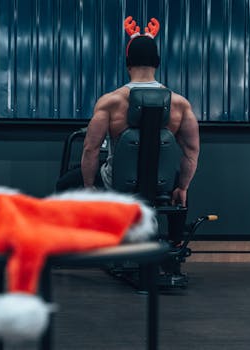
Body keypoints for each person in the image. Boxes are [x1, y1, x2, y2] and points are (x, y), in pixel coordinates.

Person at [57, 17, 199, 249]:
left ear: (127, 64)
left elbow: (91, 149)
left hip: (115, 182)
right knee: (178, 188)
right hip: (160, 186)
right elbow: (191, 152)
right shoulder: (180, 104)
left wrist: (90, 186)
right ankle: (175, 243)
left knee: (64, 184)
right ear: (157, 63)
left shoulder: (110, 102)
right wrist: (182, 188)